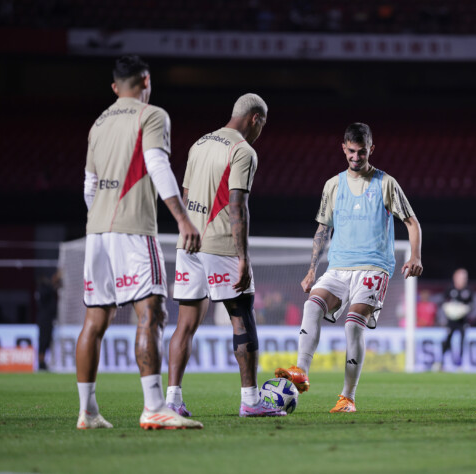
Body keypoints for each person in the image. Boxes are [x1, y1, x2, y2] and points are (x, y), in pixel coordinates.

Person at [77, 55, 203, 430]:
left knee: (94, 319)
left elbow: (89, 187)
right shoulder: (151, 115)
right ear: (146, 81)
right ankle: (153, 407)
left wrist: (102, 219)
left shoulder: (98, 124)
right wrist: (183, 219)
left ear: (115, 87)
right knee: (151, 312)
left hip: (95, 230)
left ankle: (88, 412)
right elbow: (157, 165)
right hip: (132, 228)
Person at [275, 122, 423, 413]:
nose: (356, 157)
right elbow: (322, 230)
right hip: (339, 266)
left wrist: (415, 256)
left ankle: (347, 398)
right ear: (344, 148)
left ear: (371, 149)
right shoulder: (333, 185)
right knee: (312, 305)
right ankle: (301, 372)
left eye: (362, 152)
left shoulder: (385, 183)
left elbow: (412, 222)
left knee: (353, 325)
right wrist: (311, 270)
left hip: (374, 268)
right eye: (352, 151)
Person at [165, 94, 282, 417]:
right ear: (255, 119)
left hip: (189, 242)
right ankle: (251, 400)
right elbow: (237, 204)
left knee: (184, 325)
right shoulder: (242, 150)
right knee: (242, 316)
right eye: (263, 125)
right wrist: (242, 255)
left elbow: (187, 195)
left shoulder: (200, 144)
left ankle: (173, 399)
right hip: (221, 245)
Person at [435, 268, 472, 371]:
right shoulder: (450, 289)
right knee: (447, 340)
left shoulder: (468, 290)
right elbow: (442, 302)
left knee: (461, 341)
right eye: (462, 277)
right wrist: (447, 309)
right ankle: (441, 363)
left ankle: (460, 364)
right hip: (450, 321)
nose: (464, 280)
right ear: (455, 278)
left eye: (465, 278)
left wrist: (465, 309)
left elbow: (472, 305)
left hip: (462, 322)